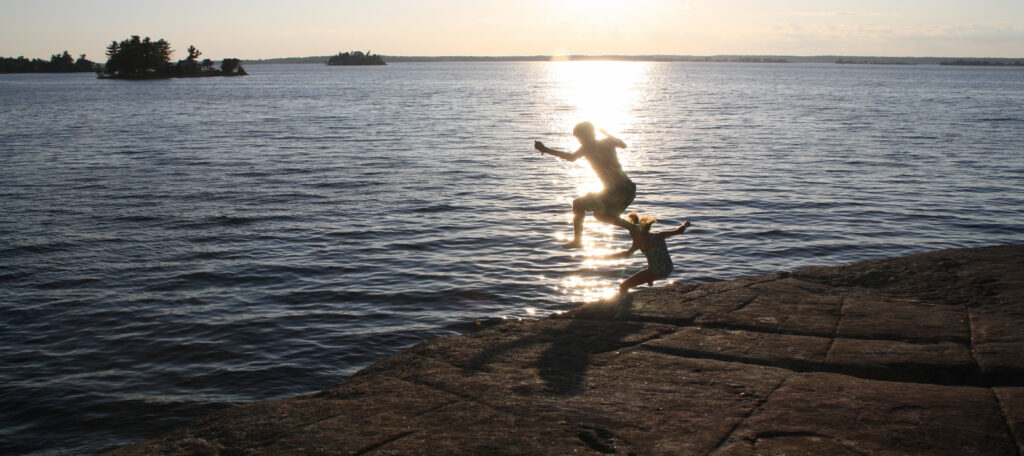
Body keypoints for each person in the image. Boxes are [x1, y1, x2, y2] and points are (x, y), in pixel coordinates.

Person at [534, 121, 636, 249]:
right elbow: (623, 145)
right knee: (600, 215)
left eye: (579, 138)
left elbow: (571, 157)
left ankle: (578, 240)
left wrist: (546, 150)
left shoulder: (587, 146)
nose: (580, 142)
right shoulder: (608, 141)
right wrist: (607, 134)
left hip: (617, 191)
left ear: (586, 135)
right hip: (629, 190)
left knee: (578, 204)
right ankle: (635, 228)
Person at [609, 213, 690, 294]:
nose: (630, 234)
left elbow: (626, 254)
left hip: (655, 271)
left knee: (623, 286)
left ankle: (623, 303)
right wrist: (685, 225)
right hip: (668, 268)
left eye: (631, 232)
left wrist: (605, 257)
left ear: (637, 232)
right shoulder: (659, 236)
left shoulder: (638, 243)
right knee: (648, 270)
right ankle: (649, 278)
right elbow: (679, 231)